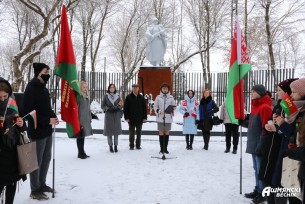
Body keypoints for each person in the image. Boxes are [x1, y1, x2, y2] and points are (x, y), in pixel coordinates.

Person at [23, 62, 59, 200]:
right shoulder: (31, 88)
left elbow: (46, 108)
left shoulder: (43, 88)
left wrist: (53, 117)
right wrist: (47, 120)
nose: (47, 74)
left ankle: (42, 184)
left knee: (46, 158)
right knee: (36, 161)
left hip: (47, 130)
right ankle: (35, 189)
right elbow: (28, 113)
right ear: (38, 72)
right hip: (37, 130)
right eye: (45, 71)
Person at [261, 78, 297, 203]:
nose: (277, 92)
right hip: (276, 146)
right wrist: (271, 126)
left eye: (279, 90)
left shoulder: (289, 104)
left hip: (286, 150)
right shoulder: (280, 104)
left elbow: (291, 130)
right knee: (274, 180)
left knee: (285, 185)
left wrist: (278, 128)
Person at [270, 78, 305, 203]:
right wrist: (279, 124)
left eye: (294, 92)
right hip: (289, 154)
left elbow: (295, 135)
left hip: (297, 159)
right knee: (286, 189)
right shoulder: (295, 109)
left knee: (293, 194)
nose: (290, 95)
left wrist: (282, 125)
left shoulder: (301, 112)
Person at [244, 84, 272, 204]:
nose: (252, 93)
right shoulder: (255, 106)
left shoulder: (265, 107)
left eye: (254, 91)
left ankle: (263, 193)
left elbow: (266, 128)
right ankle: (258, 189)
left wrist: (262, 144)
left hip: (260, 143)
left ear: (260, 93)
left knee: (261, 169)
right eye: (251, 91)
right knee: (256, 168)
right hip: (253, 142)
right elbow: (252, 125)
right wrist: (242, 121)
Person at [0, 77, 26, 204]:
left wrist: (21, 124)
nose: (3, 100)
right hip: (0, 153)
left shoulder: (13, 104)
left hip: (12, 151)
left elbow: (21, 125)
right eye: (0, 97)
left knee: (12, 182)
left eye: (5, 96)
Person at [124, 84, 147, 150]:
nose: (135, 89)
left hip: (140, 118)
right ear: (132, 89)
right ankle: (131, 145)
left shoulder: (141, 97)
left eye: (136, 88)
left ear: (138, 88)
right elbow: (125, 108)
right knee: (131, 133)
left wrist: (144, 117)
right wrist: (126, 117)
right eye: (134, 88)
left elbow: (144, 108)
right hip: (131, 119)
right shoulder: (128, 97)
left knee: (139, 133)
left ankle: (138, 145)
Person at [154, 83, 175, 154]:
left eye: (166, 88)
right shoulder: (158, 97)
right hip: (160, 117)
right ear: (161, 89)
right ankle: (161, 149)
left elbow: (174, 106)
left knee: (166, 132)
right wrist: (159, 111)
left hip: (168, 117)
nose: (165, 90)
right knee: (161, 132)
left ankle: (165, 148)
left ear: (168, 89)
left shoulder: (171, 97)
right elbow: (155, 106)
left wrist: (173, 108)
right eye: (163, 88)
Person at [101, 84, 123, 153]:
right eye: (111, 87)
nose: (112, 89)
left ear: (115, 88)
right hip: (109, 115)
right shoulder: (106, 96)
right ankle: (110, 146)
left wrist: (117, 108)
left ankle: (116, 146)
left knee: (116, 131)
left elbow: (121, 103)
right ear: (109, 88)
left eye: (113, 87)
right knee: (109, 132)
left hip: (116, 115)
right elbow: (102, 105)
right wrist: (107, 109)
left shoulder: (118, 96)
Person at [77, 81, 93, 159]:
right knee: (80, 137)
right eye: (84, 87)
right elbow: (76, 109)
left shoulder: (86, 96)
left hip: (85, 119)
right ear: (80, 87)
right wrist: (77, 120)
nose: (85, 88)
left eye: (86, 87)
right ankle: (80, 153)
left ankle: (82, 151)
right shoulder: (79, 96)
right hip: (80, 120)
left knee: (83, 137)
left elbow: (88, 109)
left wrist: (90, 117)